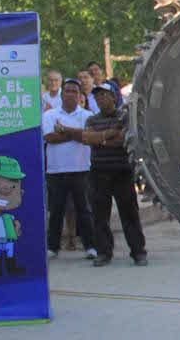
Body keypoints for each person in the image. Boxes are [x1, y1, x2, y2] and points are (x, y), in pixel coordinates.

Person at [82, 82, 147, 267]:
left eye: (104, 95)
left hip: (122, 171)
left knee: (130, 214)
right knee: (100, 215)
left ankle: (138, 252)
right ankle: (104, 252)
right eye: (97, 96)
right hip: (98, 172)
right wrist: (109, 134)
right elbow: (87, 138)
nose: (101, 99)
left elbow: (124, 139)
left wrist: (100, 138)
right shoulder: (92, 119)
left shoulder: (124, 117)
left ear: (113, 97)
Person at [41, 79, 96, 260]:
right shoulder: (50, 115)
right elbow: (50, 137)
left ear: (80, 95)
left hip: (81, 168)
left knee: (84, 210)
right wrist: (75, 134)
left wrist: (64, 130)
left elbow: (88, 138)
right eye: (67, 91)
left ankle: (90, 245)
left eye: (74, 91)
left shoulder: (88, 116)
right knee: (56, 210)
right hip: (56, 170)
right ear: (62, 94)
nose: (70, 94)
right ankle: (53, 247)